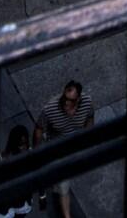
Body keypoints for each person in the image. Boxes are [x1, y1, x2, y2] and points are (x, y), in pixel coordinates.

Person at [33, 82, 95, 217]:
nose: (66, 102)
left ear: (78, 99)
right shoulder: (50, 109)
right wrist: (35, 152)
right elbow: (38, 130)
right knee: (63, 186)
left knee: (60, 181)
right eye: (65, 98)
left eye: (71, 100)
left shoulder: (87, 103)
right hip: (56, 150)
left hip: (73, 148)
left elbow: (90, 118)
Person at [0, 126, 34, 218]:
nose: (24, 147)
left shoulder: (28, 154)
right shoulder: (4, 159)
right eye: (20, 144)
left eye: (25, 143)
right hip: (7, 204)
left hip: (21, 201)